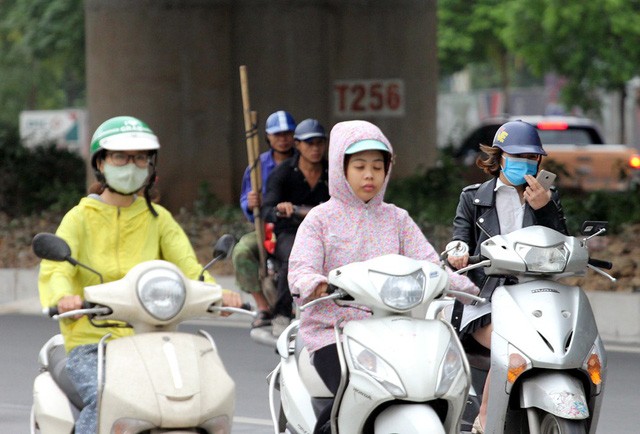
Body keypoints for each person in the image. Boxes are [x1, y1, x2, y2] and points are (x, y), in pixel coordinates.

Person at [37, 115, 242, 434]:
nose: (130, 165)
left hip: (153, 338)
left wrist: (217, 294)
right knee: (104, 399)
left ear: (151, 166)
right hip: (94, 341)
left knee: (198, 397)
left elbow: (189, 267)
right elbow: (58, 266)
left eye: (140, 157)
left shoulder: (159, 219)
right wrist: (63, 296)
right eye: (120, 156)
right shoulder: (78, 219)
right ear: (101, 163)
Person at [287, 120, 480, 434]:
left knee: (429, 387)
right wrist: (314, 283)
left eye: (378, 167)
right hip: (334, 333)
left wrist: (467, 290)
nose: (369, 175)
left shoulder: (397, 218)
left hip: (397, 329)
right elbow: (300, 269)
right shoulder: (319, 220)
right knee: (351, 395)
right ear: (340, 168)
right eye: (360, 166)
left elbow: (430, 264)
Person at [445, 120, 568, 434]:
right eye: (517, 155)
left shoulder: (546, 196)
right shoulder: (473, 197)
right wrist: (458, 251)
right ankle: (484, 421)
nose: (525, 163)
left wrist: (546, 209)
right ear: (498, 157)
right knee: (509, 337)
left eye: (532, 157)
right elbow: (459, 240)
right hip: (486, 298)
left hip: (535, 296)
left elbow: (562, 246)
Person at [261, 118, 330, 337]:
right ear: (297, 145)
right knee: (293, 258)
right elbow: (267, 210)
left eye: (320, 143)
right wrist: (281, 208)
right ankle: (281, 314)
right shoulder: (282, 173)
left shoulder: (334, 173)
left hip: (327, 233)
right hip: (291, 232)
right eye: (310, 143)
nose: (316, 148)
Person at [232, 110, 297, 329]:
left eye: (287, 134)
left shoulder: (304, 162)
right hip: (266, 229)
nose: (283, 139)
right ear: (268, 137)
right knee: (242, 252)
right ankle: (263, 307)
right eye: (277, 134)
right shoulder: (256, 166)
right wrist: (250, 203)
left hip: (297, 228)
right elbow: (245, 200)